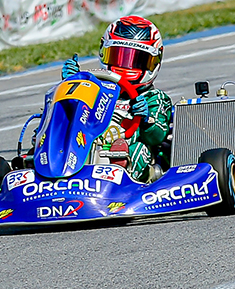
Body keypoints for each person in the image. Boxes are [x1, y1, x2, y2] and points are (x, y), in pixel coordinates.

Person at [61, 16, 172, 182]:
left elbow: (157, 137)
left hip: (127, 152)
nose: (125, 66)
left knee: (137, 148)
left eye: (136, 60)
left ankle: (122, 177)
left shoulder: (154, 98)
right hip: (84, 144)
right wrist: (71, 87)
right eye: (118, 57)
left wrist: (146, 118)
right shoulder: (92, 89)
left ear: (153, 62)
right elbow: (69, 117)